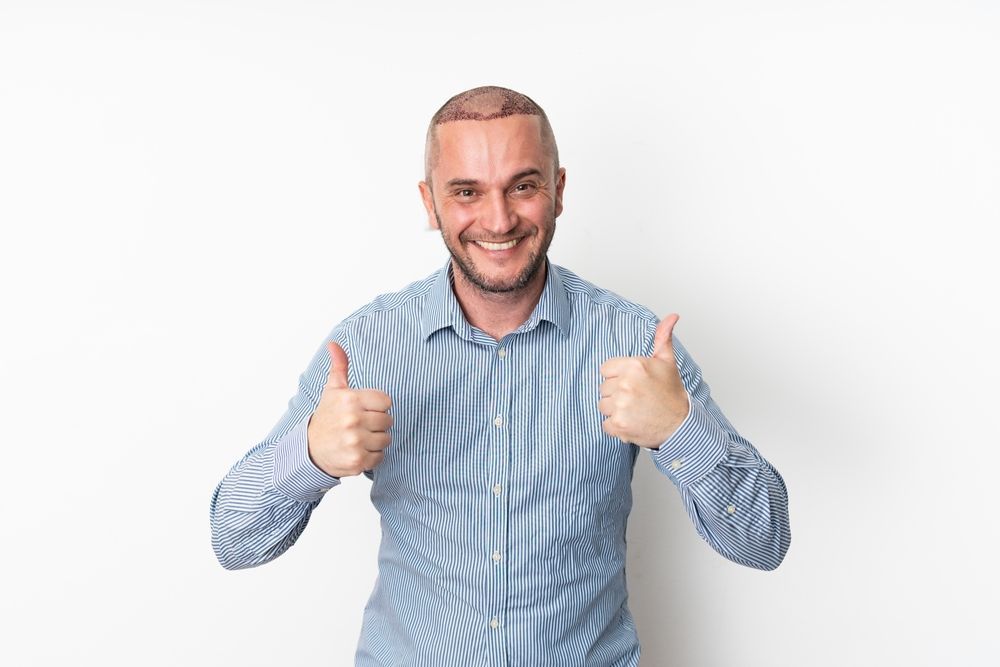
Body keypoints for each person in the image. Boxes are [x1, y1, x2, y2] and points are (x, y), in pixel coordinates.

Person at [210, 85, 791, 666]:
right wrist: (309, 456)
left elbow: (765, 541)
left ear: (558, 191)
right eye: (467, 191)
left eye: (524, 185)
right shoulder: (366, 345)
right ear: (430, 202)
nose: (499, 219)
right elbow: (232, 539)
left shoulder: (637, 343)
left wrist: (680, 430)